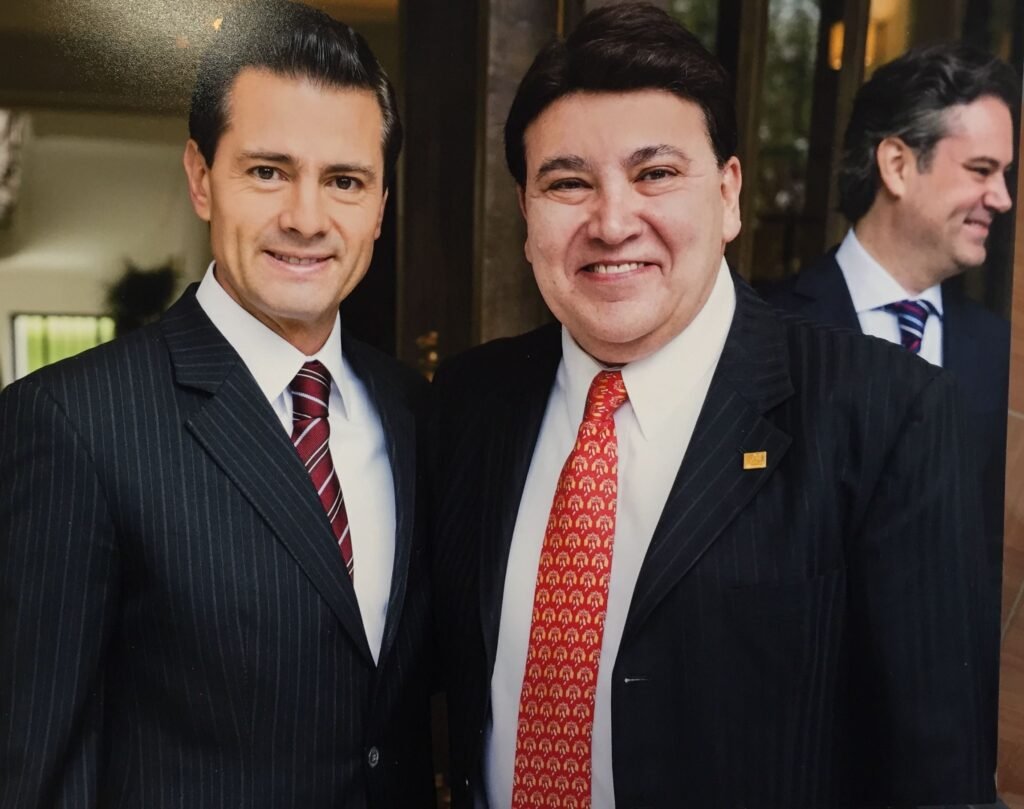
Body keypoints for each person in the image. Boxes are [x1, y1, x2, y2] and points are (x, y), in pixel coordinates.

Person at [430, 4, 993, 807]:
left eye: (655, 173)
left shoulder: (885, 416)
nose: (613, 221)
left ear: (728, 195)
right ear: (526, 215)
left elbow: (938, 775)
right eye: (567, 182)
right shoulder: (467, 404)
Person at [0, 3, 433, 807]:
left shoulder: (414, 411)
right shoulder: (70, 423)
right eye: (267, 171)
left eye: (344, 181)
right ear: (201, 178)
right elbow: (34, 763)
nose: (306, 218)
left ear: (379, 206)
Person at [763, 47, 1017, 798]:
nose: (1002, 198)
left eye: (1005, 175)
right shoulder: (763, 331)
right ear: (898, 165)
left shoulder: (998, 352)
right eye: (981, 171)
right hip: (793, 761)